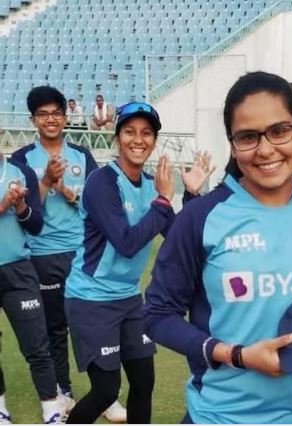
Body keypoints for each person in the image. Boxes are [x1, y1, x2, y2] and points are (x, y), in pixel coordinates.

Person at [143, 71, 292, 423]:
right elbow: (156, 315)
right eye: (248, 137)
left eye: (279, 131)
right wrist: (235, 354)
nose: (265, 149)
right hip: (219, 416)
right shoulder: (200, 218)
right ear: (232, 145)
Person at [64, 102, 214, 424]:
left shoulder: (150, 185)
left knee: (144, 383)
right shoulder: (102, 183)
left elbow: (180, 240)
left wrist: (190, 195)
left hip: (129, 299)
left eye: (147, 133)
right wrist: (163, 200)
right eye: (130, 131)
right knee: (106, 390)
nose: (138, 139)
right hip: (91, 299)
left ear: (154, 141)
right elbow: (127, 243)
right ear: (117, 137)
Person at [11, 86, 99, 403]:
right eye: (43, 114)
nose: (50, 119)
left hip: (80, 251)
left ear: (65, 117)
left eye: (56, 113)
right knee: (55, 327)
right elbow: (24, 210)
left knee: (90, 322)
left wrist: (66, 191)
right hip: (41, 254)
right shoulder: (21, 159)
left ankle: (104, 393)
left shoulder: (82, 155)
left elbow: (97, 204)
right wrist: (47, 181)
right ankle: (64, 390)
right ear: (33, 120)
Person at [0, 149, 73, 423]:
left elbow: (36, 225)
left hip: (18, 271)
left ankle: (51, 409)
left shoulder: (21, 171)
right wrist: (2, 205)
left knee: (37, 343)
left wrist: (20, 206)